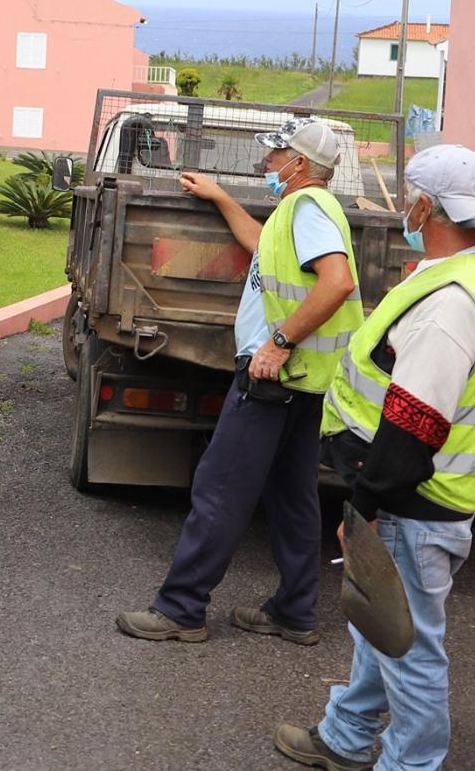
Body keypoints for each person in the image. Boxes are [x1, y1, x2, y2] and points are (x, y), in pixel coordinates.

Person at [274, 144, 475, 771]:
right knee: (381, 626)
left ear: (426, 207)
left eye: (408, 198)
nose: (403, 207)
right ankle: (346, 736)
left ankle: (410, 763)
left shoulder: (449, 304)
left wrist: (364, 508)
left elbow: (414, 425)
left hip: (416, 503)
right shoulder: (470, 271)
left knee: (409, 651)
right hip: (426, 498)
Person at [117, 117, 361, 643]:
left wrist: (279, 342)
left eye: (276, 154)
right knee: (293, 496)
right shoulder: (303, 210)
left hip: (275, 377)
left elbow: (337, 281)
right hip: (304, 382)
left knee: (220, 487)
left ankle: (182, 609)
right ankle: (295, 612)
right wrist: (221, 197)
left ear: (300, 163)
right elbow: (261, 244)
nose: (267, 162)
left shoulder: (307, 207)